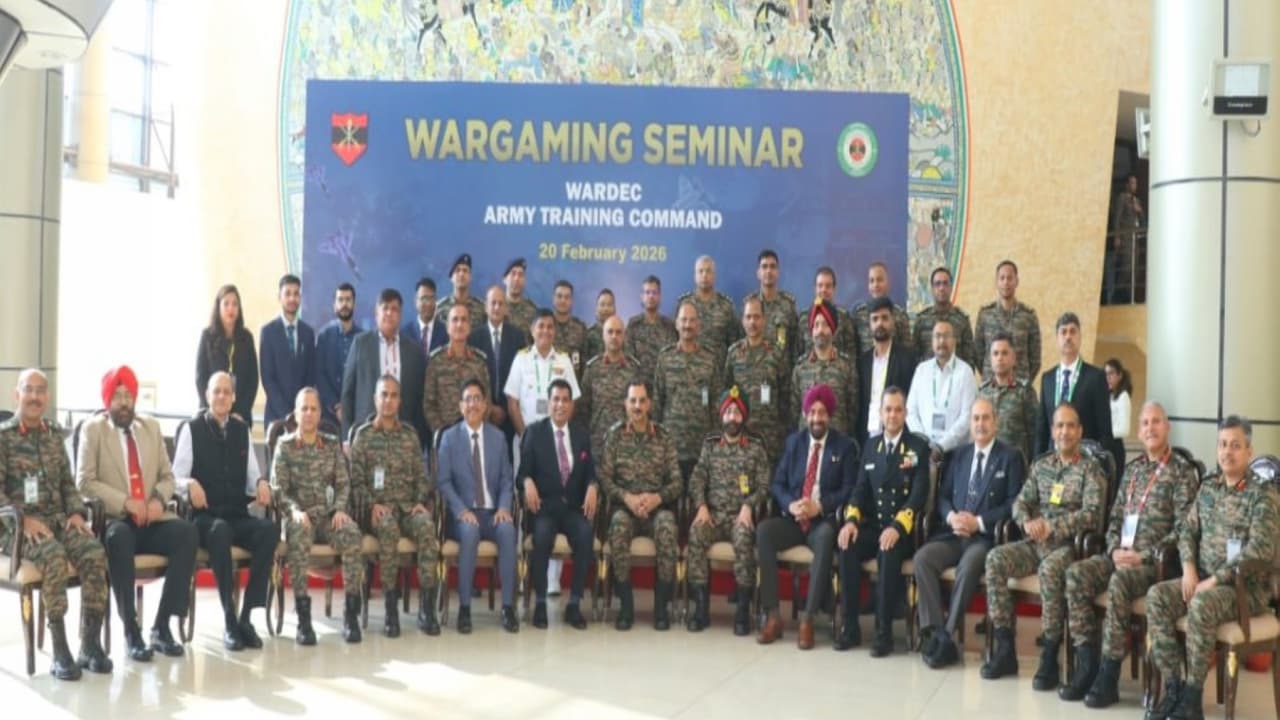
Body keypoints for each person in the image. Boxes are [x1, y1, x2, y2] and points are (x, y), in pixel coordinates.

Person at [1059, 401, 1196, 707]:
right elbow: (1114, 518)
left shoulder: (1181, 472)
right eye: (1145, 423)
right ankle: (1087, 664)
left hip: (1155, 565)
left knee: (1120, 584)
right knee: (1076, 575)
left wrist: (1143, 556)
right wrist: (1113, 550)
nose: (1150, 428)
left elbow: (1184, 529)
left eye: (1156, 422)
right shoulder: (1132, 471)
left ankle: (1108, 675)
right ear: (1139, 430)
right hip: (1120, 554)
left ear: (1167, 427)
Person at [1145, 416, 1277, 720]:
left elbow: (1261, 549)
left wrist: (1215, 580)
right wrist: (1189, 568)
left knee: (1202, 603)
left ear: (1249, 451)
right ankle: (1174, 688)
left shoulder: (1262, 494)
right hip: (1202, 579)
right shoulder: (1208, 488)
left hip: (1244, 591)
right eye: (1222, 444)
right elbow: (1187, 531)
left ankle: (1192, 698)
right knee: (1157, 596)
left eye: (1235, 445)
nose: (1227, 452)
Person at [982, 403, 1106, 689]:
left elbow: (1092, 514)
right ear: (1052, 431)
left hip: (1069, 547)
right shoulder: (1041, 466)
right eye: (1059, 426)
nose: (1065, 432)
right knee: (995, 559)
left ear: (1080, 431)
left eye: (1070, 426)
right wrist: (1027, 522)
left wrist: (1053, 526)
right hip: (1034, 542)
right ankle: (1005, 648)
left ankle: (1049, 655)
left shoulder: (1091, 470)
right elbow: (1020, 503)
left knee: (1050, 571)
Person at [78, 366, 197, 662]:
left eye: (128, 396)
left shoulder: (151, 428)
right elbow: (84, 482)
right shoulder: (94, 430)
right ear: (108, 400)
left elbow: (168, 477)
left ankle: (162, 626)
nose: (123, 402)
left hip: (153, 520)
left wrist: (158, 499)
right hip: (118, 520)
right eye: (117, 396)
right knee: (118, 538)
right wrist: (126, 502)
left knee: (187, 533)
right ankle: (131, 631)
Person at [2, 369, 110, 680]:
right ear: (17, 394)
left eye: (40, 391)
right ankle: (60, 649)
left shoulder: (53, 435)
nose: (34, 397)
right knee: (53, 556)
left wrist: (76, 512)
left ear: (47, 397)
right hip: (16, 528)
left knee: (94, 552)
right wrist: (25, 520)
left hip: (58, 521)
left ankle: (89, 644)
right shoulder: (4, 437)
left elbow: (67, 484)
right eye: (29, 390)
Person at [913, 397, 1024, 669]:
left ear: (996, 422)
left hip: (984, 538)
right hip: (953, 534)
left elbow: (1014, 503)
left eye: (985, 418)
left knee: (970, 564)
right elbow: (942, 497)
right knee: (923, 558)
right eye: (975, 418)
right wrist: (952, 517)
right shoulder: (959, 455)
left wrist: (979, 522)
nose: (980, 424)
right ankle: (935, 632)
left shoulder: (1010, 457)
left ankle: (947, 635)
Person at [173, 371, 277, 651]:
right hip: (205, 518)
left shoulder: (242, 431)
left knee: (268, 531)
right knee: (219, 531)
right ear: (207, 395)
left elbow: (253, 478)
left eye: (226, 392)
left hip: (236, 514)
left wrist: (261, 483)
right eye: (216, 391)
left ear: (233, 398)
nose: (221, 396)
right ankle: (229, 619)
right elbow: (174, 478)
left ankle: (246, 617)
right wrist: (189, 483)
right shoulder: (191, 430)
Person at [756, 385, 857, 650]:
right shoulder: (794, 443)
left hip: (821, 520)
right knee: (764, 532)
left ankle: (807, 619)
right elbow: (777, 484)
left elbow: (849, 489)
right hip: (793, 519)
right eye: (812, 412)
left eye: (822, 413)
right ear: (805, 414)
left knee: (825, 537)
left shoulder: (844, 446)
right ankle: (773, 615)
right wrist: (790, 505)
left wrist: (819, 506)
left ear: (829, 415)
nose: (816, 418)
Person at [837, 387, 928, 658]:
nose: (892, 415)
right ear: (880, 413)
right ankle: (850, 627)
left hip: (902, 532)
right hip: (874, 526)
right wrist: (850, 521)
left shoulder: (917, 448)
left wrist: (897, 527)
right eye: (888, 409)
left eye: (898, 410)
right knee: (847, 545)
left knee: (887, 551)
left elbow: (918, 495)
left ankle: (883, 633)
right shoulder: (871, 446)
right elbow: (859, 490)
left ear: (905, 413)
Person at [350, 374, 442, 637]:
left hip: (407, 508)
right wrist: (371, 506)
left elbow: (421, 477)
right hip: (378, 512)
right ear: (375, 399)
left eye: (393, 395)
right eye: (384, 395)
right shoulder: (364, 437)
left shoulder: (410, 437)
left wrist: (421, 502)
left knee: (426, 527)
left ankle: (426, 608)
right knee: (388, 528)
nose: (388, 400)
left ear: (400, 401)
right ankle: (391, 608)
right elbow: (355, 483)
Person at [270, 388, 364, 645]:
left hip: (328, 515)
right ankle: (303, 618)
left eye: (313, 409)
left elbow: (344, 484)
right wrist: (294, 511)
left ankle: (351, 615)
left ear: (320, 414)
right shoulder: (285, 446)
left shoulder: (331, 445)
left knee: (351, 534)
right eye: (304, 408)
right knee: (298, 535)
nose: (309, 413)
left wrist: (341, 508)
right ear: (296, 413)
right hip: (300, 517)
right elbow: (278, 490)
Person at [685, 387, 770, 635]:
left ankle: (742, 611)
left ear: (744, 417)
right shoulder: (710, 445)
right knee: (696, 534)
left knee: (744, 539)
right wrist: (701, 506)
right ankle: (701, 609)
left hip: (740, 517)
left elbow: (765, 486)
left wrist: (748, 505)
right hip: (712, 515)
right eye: (728, 412)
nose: (732, 417)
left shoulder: (755, 447)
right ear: (721, 415)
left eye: (737, 412)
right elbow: (697, 479)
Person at [599, 380, 683, 631]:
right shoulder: (614, 436)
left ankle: (661, 606)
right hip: (625, 508)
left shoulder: (664, 437)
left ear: (650, 404)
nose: (637, 406)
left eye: (642, 401)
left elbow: (677, 481)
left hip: (656, 509)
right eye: (633, 401)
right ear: (625, 404)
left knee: (667, 527)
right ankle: (626, 606)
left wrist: (658, 497)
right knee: (618, 526)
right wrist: (627, 498)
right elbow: (605, 479)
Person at [436, 379, 518, 634]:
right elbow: (443, 482)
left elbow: (506, 479)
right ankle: (464, 608)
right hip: (462, 514)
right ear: (461, 406)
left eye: (477, 399)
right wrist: (462, 511)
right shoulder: (449, 438)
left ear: (485, 405)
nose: (472, 404)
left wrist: (504, 507)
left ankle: (508, 608)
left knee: (508, 530)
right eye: (468, 399)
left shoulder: (498, 438)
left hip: (492, 512)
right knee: (469, 533)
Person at [520, 379, 599, 630]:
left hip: (573, 508)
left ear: (572, 405)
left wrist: (593, 486)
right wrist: (527, 481)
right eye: (556, 399)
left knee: (585, 534)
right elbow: (522, 473)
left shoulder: (581, 435)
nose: (560, 405)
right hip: (544, 508)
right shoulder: (535, 433)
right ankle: (540, 604)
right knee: (542, 536)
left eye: (565, 400)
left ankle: (574, 604)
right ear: (548, 403)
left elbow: (591, 472)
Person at [341, 288, 428, 447]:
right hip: (366, 437)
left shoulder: (414, 351)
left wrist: (419, 440)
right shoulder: (361, 344)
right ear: (376, 314)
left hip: (403, 439)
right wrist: (346, 438)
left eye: (394, 309)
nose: (389, 313)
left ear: (400, 315)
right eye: (385, 308)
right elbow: (347, 394)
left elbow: (420, 399)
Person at [653, 301, 722, 481]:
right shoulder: (665, 358)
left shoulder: (710, 359)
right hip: (671, 448)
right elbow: (657, 401)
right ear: (676, 323)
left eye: (692, 320)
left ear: (698, 324)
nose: (687, 325)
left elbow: (716, 404)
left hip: (702, 449)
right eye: (683, 320)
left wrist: (715, 443)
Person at [724, 296, 790, 469]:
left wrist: (781, 431)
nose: (752, 322)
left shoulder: (776, 354)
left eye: (756, 317)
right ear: (742, 321)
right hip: (740, 436)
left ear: (764, 319)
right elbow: (726, 393)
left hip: (770, 439)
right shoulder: (733, 353)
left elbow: (785, 396)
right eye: (748, 317)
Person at [1036, 313, 1113, 457]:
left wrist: (1100, 464)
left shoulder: (1095, 377)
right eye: (1063, 332)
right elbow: (1042, 430)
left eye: (1072, 331)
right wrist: (1036, 461)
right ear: (1057, 338)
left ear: (1080, 337)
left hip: (1084, 462)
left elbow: (1105, 430)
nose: (1068, 337)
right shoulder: (1048, 379)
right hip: (1052, 463)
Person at [905, 320, 978, 463]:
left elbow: (967, 416)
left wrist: (942, 446)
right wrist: (924, 442)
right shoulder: (921, 370)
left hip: (956, 453)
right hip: (923, 451)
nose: (941, 341)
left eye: (946, 336)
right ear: (932, 341)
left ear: (954, 341)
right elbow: (911, 411)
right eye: (937, 336)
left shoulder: (965, 372)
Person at [468, 285, 526, 451]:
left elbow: (522, 376)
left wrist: (508, 408)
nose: (496, 307)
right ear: (485, 307)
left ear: (506, 308)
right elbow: (472, 376)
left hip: (511, 415)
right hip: (482, 413)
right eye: (493, 303)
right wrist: (489, 407)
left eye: (501, 303)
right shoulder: (474, 338)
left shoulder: (518, 337)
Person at [195, 284, 259, 429]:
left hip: (240, 415)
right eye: (226, 304)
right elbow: (200, 377)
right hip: (211, 413)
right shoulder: (207, 337)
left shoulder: (246, 338)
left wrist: (240, 412)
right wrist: (213, 409)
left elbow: (252, 380)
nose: (231, 308)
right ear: (218, 307)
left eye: (235, 304)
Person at [856, 297, 917, 446]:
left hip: (898, 439)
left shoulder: (907, 360)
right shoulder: (862, 362)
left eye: (884, 318)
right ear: (869, 324)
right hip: (867, 440)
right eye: (875, 319)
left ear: (892, 321)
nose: (880, 323)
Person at [791, 299, 858, 434]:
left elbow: (853, 410)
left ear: (833, 329)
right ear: (811, 331)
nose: (820, 330)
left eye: (825, 325)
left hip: (837, 440)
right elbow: (794, 410)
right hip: (808, 441)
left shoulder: (846, 366)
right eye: (816, 325)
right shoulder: (800, 367)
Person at [260, 274, 317, 426]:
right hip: (276, 417)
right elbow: (268, 378)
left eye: (296, 294)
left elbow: (310, 376)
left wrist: (300, 410)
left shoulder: (308, 333)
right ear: (279, 297)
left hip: (303, 418)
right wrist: (287, 414)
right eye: (288, 294)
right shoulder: (268, 332)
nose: (292, 298)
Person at [423, 304, 489, 433]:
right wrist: (443, 433)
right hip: (445, 436)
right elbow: (429, 405)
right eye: (455, 320)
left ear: (469, 327)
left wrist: (476, 430)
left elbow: (486, 402)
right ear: (447, 327)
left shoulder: (479, 362)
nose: (459, 324)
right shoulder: (436, 361)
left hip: (474, 435)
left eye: (464, 320)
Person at [975, 260, 1041, 382]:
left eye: (1010, 278)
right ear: (996, 282)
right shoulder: (985, 315)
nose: (1006, 282)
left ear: (1017, 281)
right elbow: (978, 355)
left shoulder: (1028, 316)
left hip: (1019, 386)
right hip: (991, 386)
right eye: (1002, 278)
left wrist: (1021, 381)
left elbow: (1035, 359)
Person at [578, 315, 634, 456]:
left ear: (624, 336)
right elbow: (583, 408)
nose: (614, 336)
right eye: (610, 332)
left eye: (618, 332)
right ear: (603, 336)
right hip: (598, 442)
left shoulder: (634, 368)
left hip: (626, 443)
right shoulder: (592, 368)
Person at [978, 332, 1038, 463]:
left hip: (1016, 463)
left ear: (1013, 358)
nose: (1000, 358)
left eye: (1004, 353)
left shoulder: (1025, 391)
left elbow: (1035, 434)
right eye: (995, 354)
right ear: (990, 359)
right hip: (988, 463)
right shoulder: (982, 392)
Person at [677, 255, 741, 371]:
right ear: (695, 276)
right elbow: (676, 340)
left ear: (714, 275)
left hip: (718, 372)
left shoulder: (726, 306)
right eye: (700, 271)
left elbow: (734, 343)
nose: (704, 275)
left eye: (708, 271)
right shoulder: (684, 304)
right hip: (688, 372)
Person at [743, 249, 800, 375]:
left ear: (778, 272)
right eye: (764, 267)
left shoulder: (788, 304)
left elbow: (795, 343)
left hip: (782, 374)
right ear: (758, 273)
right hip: (754, 373)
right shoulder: (750, 304)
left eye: (772, 267)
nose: (768, 271)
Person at [913, 267, 978, 369]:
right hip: (928, 375)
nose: (941, 288)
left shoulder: (962, 320)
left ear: (951, 287)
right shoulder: (922, 320)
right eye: (937, 284)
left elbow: (969, 357)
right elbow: (914, 356)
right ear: (932, 289)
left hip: (956, 375)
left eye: (945, 283)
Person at [315, 283, 361, 426]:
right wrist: (336, 406)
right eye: (340, 300)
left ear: (354, 304)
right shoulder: (324, 336)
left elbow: (365, 377)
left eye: (348, 300)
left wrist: (350, 406)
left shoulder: (363, 338)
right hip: (328, 414)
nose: (344, 304)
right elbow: (319, 375)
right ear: (334, 305)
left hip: (356, 413)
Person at [850, 261, 914, 355]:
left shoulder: (900, 314)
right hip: (865, 363)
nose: (875, 285)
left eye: (880, 280)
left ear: (887, 283)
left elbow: (907, 350)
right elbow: (853, 347)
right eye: (872, 281)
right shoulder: (858, 314)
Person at [625, 275, 678, 383]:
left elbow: (673, 358)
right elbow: (629, 359)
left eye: (654, 292)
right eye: (647, 292)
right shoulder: (633, 324)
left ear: (660, 296)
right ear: (642, 296)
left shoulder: (669, 325)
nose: (651, 296)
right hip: (640, 385)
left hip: (664, 383)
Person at [799, 266, 857, 359]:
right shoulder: (804, 317)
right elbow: (797, 351)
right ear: (815, 288)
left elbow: (851, 351)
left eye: (828, 286)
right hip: (809, 367)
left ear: (834, 289)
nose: (824, 290)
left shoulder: (844, 316)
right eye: (820, 285)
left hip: (837, 367)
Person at [401, 277, 447, 364]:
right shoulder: (405, 333)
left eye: (431, 298)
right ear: (415, 301)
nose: (428, 303)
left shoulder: (445, 332)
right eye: (424, 298)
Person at [434, 253, 487, 327]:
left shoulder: (482, 308)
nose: (461, 274)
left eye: (465, 271)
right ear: (451, 278)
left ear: (470, 277)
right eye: (457, 270)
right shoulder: (439, 308)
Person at [551, 280, 589, 376]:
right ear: (553, 299)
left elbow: (585, 362)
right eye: (559, 296)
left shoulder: (580, 328)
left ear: (571, 301)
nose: (563, 300)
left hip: (573, 382)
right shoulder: (545, 326)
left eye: (567, 297)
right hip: (548, 381)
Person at [502, 258, 538, 336]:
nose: (516, 279)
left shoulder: (533, 310)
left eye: (520, 275)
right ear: (504, 279)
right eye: (513, 274)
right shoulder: (496, 307)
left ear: (525, 281)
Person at [1104, 358, 1132, 442]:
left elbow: (1124, 430)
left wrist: (1103, 432)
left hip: (1114, 444)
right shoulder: (1109, 396)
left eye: (1111, 373)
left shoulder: (1123, 396)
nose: (1108, 377)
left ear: (1120, 375)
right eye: (1105, 374)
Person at [584, 288, 615, 363]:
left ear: (614, 309)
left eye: (609, 305)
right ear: (596, 309)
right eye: (602, 304)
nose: (606, 309)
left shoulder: (621, 334)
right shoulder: (588, 334)